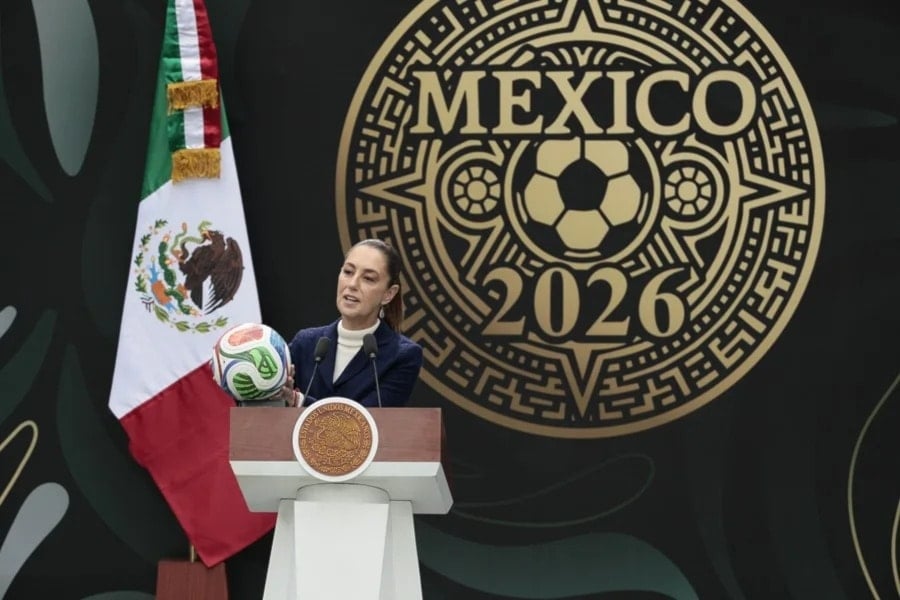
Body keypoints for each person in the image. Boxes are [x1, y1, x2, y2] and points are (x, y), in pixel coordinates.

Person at [274, 238, 423, 407]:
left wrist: (298, 400)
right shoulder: (306, 343)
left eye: (368, 278)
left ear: (388, 294)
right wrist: (274, 388)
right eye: (348, 272)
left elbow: (366, 420)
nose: (352, 284)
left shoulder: (403, 355)